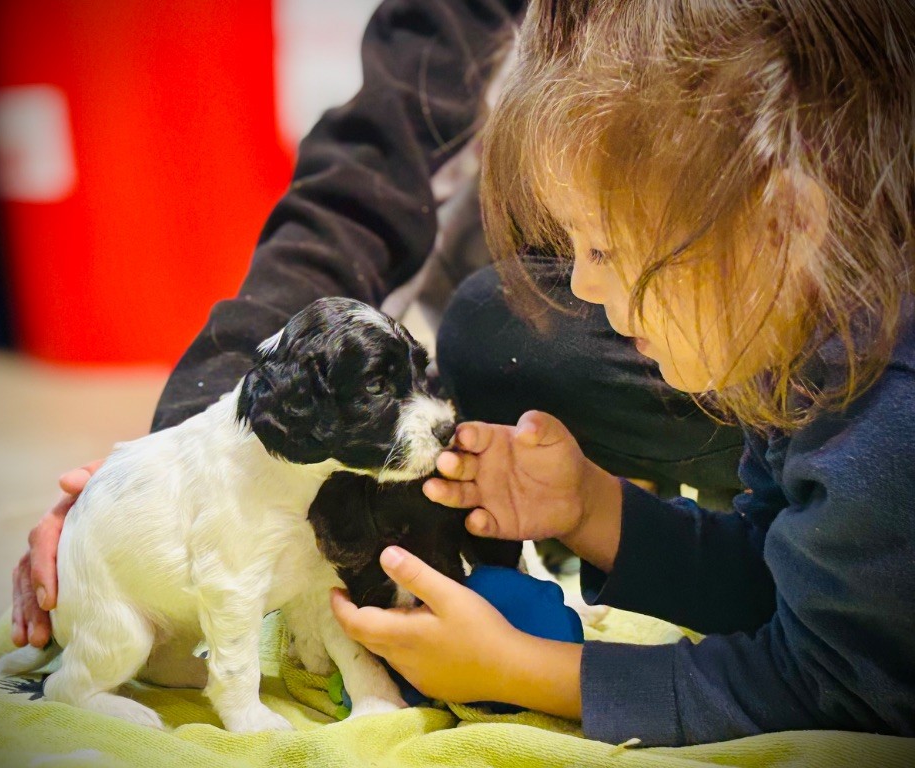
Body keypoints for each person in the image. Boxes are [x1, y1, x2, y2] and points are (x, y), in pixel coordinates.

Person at [11, 0, 745, 651]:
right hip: (630, 335)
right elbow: (364, 186)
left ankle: (743, 484)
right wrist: (180, 464)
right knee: (498, 330)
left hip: (787, 327)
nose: (587, 280)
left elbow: (809, 669)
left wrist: (538, 672)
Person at [330, 0, 915, 747]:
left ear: (784, 225)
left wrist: (518, 668)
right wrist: (593, 509)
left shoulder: (887, 417)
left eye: (605, 250)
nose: (580, 287)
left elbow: (831, 687)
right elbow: (780, 588)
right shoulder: (806, 347)